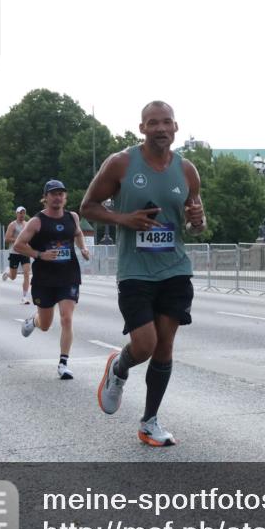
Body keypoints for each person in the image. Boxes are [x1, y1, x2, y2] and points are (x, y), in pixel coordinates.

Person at [81, 100, 205, 446]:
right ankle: (119, 369)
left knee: (164, 346)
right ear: (142, 129)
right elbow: (87, 206)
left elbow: (196, 221)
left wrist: (199, 222)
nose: (161, 129)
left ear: (176, 127)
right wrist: (124, 219)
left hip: (175, 269)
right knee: (145, 345)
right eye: (153, 123)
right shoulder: (120, 163)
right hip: (135, 271)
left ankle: (149, 421)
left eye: (166, 122)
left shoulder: (188, 170)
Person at [14, 179, 91, 379]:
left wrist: (83, 247)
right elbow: (18, 245)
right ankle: (34, 320)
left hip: (69, 275)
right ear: (45, 198)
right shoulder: (37, 221)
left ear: (65, 197)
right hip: (45, 278)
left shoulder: (72, 217)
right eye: (53, 194)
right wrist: (40, 255)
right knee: (46, 325)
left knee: (66, 318)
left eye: (61, 194)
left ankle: (63, 363)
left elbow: (79, 233)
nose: (58, 197)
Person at [2, 207, 32, 304]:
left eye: (23, 213)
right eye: (20, 213)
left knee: (27, 274)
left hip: (25, 252)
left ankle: (24, 297)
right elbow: (6, 239)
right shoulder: (13, 225)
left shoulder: (27, 225)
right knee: (13, 276)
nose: (22, 215)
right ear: (17, 214)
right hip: (14, 252)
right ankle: (7, 272)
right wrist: (19, 240)